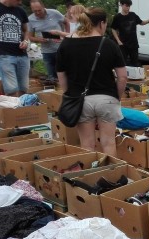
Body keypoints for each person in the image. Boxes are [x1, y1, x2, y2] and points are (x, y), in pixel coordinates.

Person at [56, 7, 127, 158]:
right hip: (106, 98)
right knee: (108, 143)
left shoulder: (66, 44)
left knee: (87, 145)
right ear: (101, 23)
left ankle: (90, 178)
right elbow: (122, 77)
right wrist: (116, 97)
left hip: (80, 100)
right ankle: (111, 176)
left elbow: (61, 75)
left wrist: (69, 94)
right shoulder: (108, 44)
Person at [27, 0, 67, 82]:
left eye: (39, 10)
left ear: (43, 6)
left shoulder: (54, 13)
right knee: (51, 77)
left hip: (60, 49)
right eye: (35, 11)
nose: (38, 13)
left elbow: (66, 22)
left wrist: (66, 35)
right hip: (46, 51)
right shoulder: (30, 19)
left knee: (63, 74)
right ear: (31, 9)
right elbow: (29, 37)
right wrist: (39, 39)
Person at [0, 0, 30, 96]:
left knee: (23, 88)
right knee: (11, 89)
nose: (20, 2)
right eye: (18, 0)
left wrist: (25, 41)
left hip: (22, 54)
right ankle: (11, 110)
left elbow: (26, 30)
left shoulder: (20, 11)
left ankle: (22, 110)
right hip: (4, 55)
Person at [111, 0, 149, 67]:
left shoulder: (133, 15)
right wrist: (118, 40)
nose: (128, 8)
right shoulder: (117, 17)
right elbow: (113, 29)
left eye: (129, 6)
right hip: (123, 45)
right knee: (123, 64)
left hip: (134, 44)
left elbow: (141, 22)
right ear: (121, 5)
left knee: (135, 64)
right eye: (126, 6)